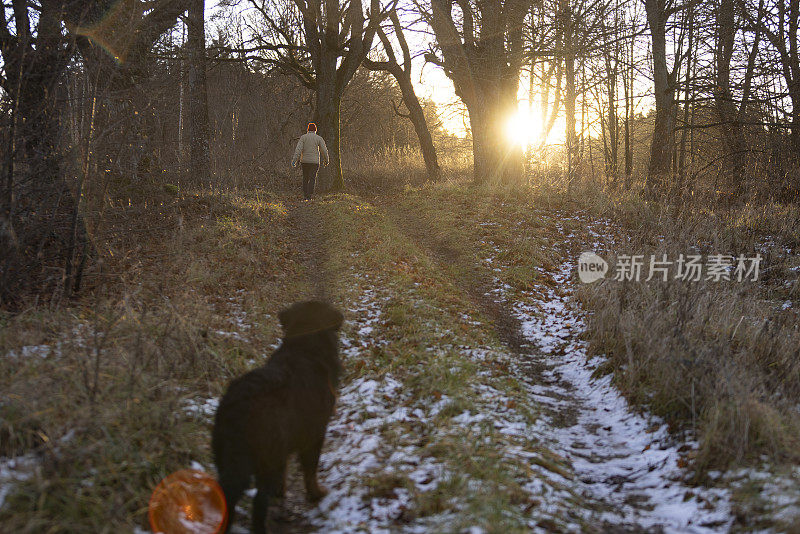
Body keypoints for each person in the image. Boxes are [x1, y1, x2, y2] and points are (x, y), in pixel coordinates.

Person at [291, 123, 330, 200]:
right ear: (315, 130)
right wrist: (326, 160)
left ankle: (305, 194)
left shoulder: (303, 137)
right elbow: (324, 150)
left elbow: (298, 150)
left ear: (308, 129)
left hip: (304, 161)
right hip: (315, 162)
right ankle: (310, 195)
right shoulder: (319, 138)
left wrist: (294, 161)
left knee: (305, 178)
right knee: (312, 178)